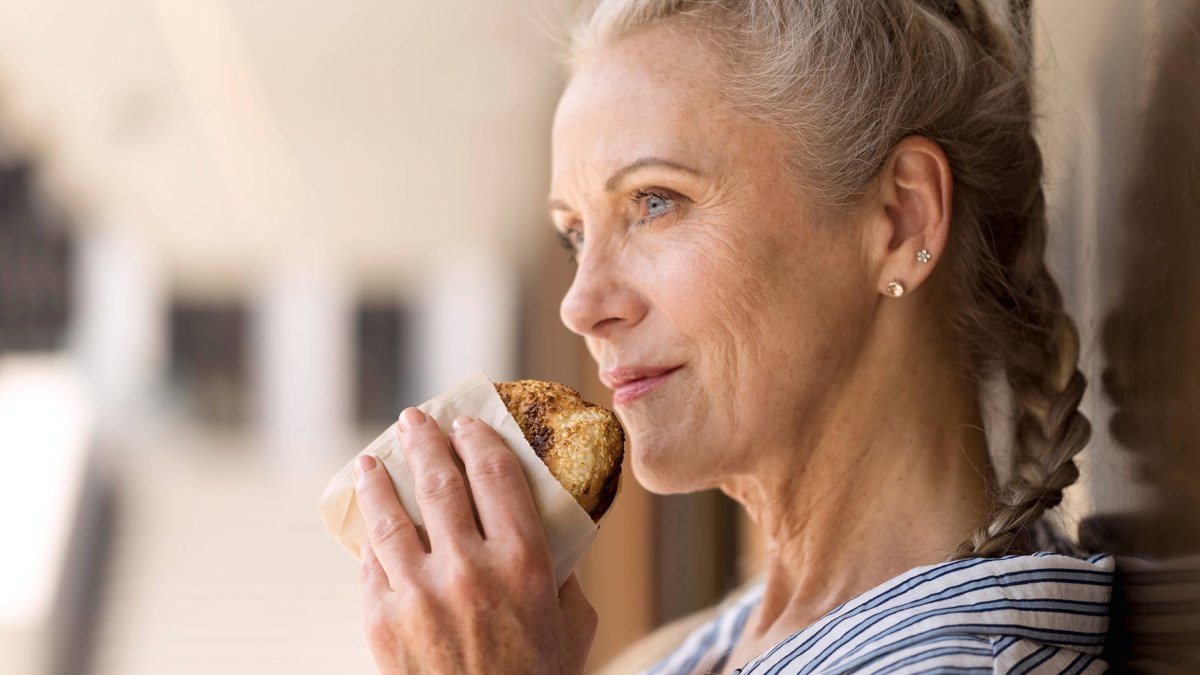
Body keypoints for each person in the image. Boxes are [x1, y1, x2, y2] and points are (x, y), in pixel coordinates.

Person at [349, 0, 1114, 672]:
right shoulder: (720, 642)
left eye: (654, 202)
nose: (582, 303)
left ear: (899, 221)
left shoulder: (962, 662)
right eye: (575, 234)